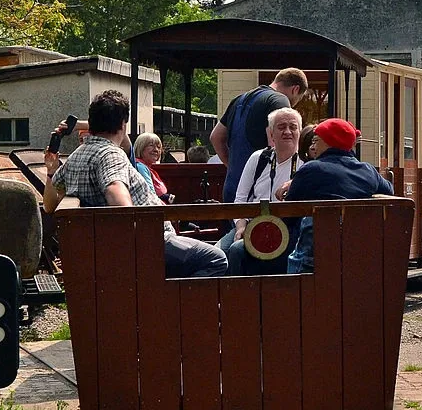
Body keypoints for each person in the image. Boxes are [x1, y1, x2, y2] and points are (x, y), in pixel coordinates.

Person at [43, 90, 228, 279]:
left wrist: (51, 170)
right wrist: (133, 249)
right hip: (149, 242)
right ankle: (172, 306)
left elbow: (49, 205)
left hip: (113, 247)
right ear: (123, 124)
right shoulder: (110, 155)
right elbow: (116, 192)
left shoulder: (77, 156)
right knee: (216, 259)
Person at [284, 118, 393, 273]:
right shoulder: (367, 171)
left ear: (328, 142)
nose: (313, 146)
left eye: (316, 140)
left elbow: (288, 214)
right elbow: (389, 190)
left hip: (314, 256)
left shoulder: (311, 169)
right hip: (355, 254)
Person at [211, 69, 309, 202]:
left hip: (232, 186)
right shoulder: (279, 100)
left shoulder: (239, 100)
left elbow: (216, 137)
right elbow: (274, 145)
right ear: (295, 89)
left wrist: (234, 167)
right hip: (257, 192)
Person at [225, 107, 303, 274]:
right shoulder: (258, 158)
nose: (288, 132)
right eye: (281, 127)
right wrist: (240, 227)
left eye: (293, 127)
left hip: (287, 231)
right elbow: (240, 198)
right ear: (271, 133)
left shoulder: (306, 165)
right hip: (252, 226)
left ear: (300, 132)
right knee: (224, 254)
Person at [132, 132, 172, 202]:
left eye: (159, 147)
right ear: (141, 147)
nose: (156, 150)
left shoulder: (146, 167)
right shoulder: (140, 167)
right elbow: (150, 194)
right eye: (151, 145)